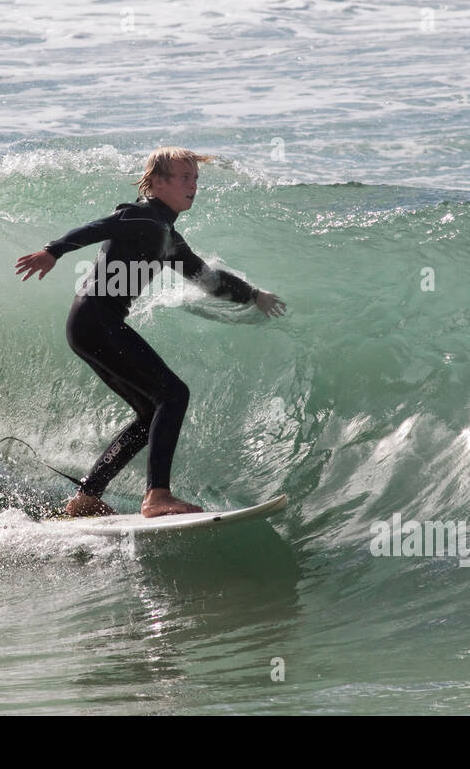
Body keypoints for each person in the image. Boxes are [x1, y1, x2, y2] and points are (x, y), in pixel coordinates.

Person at [15, 147, 286, 518]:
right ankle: (157, 496)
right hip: (97, 321)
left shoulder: (167, 236)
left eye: (195, 179)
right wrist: (53, 251)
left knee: (150, 413)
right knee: (173, 395)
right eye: (184, 178)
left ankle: (86, 497)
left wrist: (253, 296)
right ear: (157, 183)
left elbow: (207, 279)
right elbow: (99, 228)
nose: (193, 186)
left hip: (93, 325)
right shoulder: (141, 216)